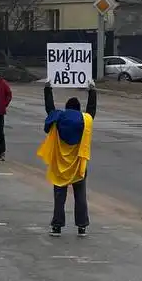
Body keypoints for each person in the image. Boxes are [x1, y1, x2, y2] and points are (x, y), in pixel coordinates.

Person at [39, 79, 97, 236]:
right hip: (79, 164)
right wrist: (92, 90)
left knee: (59, 196)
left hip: (60, 164)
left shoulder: (58, 118)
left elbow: (49, 109)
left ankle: (57, 226)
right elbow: (91, 110)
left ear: (66, 108)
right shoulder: (85, 120)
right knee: (80, 196)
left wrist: (47, 89)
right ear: (79, 110)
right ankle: (82, 226)